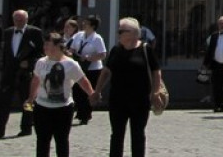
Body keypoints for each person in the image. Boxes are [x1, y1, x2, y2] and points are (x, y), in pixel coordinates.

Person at [91, 17, 163, 157]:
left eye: (121, 31)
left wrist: (155, 92)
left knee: (138, 134)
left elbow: (156, 71)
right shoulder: (116, 50)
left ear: (134, 33)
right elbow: (106, 71)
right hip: (117, 100)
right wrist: (97, 90)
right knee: (116, 134)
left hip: (140, 100)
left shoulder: (145, 49)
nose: (118, 34)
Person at [26, 32, 95, 157]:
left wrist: (92, 94)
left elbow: (82, 80)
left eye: (48, 44)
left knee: (62, 141)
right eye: (44, 45)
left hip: (63, 108)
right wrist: (31, 98)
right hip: (42, 108)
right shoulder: (40, 62)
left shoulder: (70, 64)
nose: (45, 47)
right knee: (42, 141)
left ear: (58, 46)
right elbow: (36, 80)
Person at [0, 9, 43, 139]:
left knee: (28, 101)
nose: (18, 22)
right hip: (9, 73)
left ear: (26, 20)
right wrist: (2, 67)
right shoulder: (7, 32)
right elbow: (5, 52)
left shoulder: (35, 32)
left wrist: (30, 63)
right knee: (3, 100)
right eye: (16, 20)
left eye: (21, 20)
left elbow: (41, 53)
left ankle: (26, 127)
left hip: (25, 74)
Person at [68, 15, 106, 125]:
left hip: (92, 69)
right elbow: (72, 47)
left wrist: (89, 58)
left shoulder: (97, 38)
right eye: (84, 22)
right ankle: (80, 112)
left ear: (93, 26)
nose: (83, 24)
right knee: (76, 90)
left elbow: (102, 54)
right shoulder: (79, 35)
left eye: (86, 23)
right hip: (79, 66)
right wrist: (71, 53)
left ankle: (86, 115)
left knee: (87, 92)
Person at [202, 16, 223, 113]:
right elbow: (210, 50)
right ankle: (219, 105)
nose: (222, 26)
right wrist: (205, 63)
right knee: (216, 87)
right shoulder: (214, 36)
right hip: (216, 65)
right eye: (220, 24)